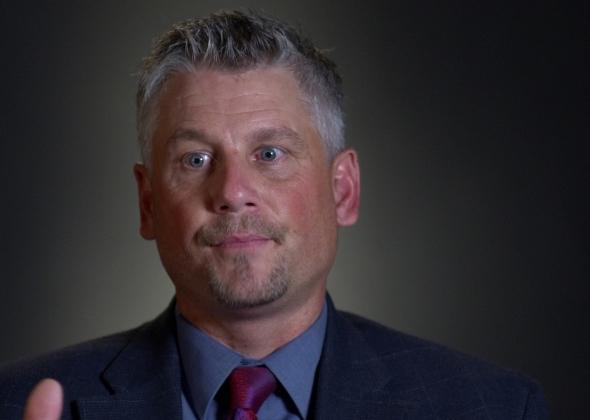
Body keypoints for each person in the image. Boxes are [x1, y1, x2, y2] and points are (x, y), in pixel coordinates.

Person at [0, 10, 547, 420]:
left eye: (269, 154)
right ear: (148, 204)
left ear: (343, 190)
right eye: (196, 159)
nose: (233, 192)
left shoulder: (492, 407)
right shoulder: (17, 403)